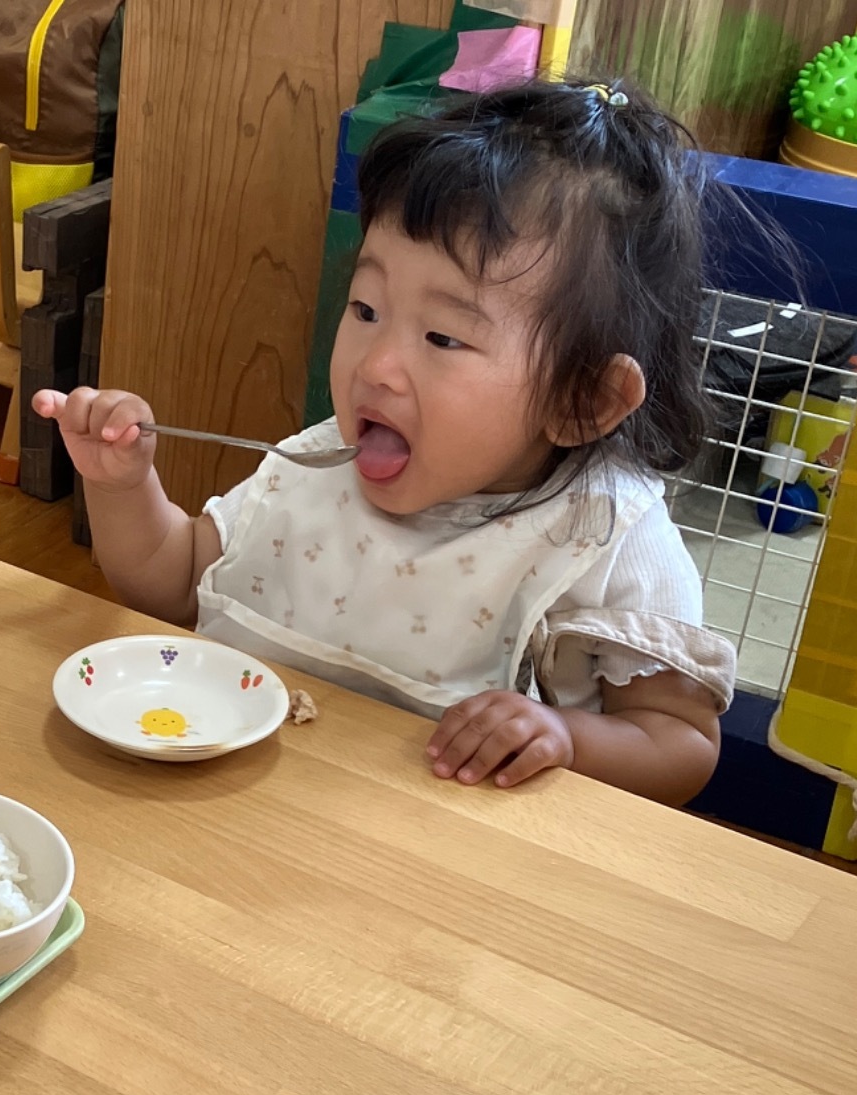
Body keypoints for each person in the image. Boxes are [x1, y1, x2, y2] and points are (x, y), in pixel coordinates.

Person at [38, 79, 736, 804]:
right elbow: (173, 584)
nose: (374, 366)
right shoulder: (315, 465)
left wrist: (564, 737)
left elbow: (679, 745)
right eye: (366, 309)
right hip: (253, 820)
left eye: (442, 336)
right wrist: (122, 487)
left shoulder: (610, 538)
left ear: (582, 399)